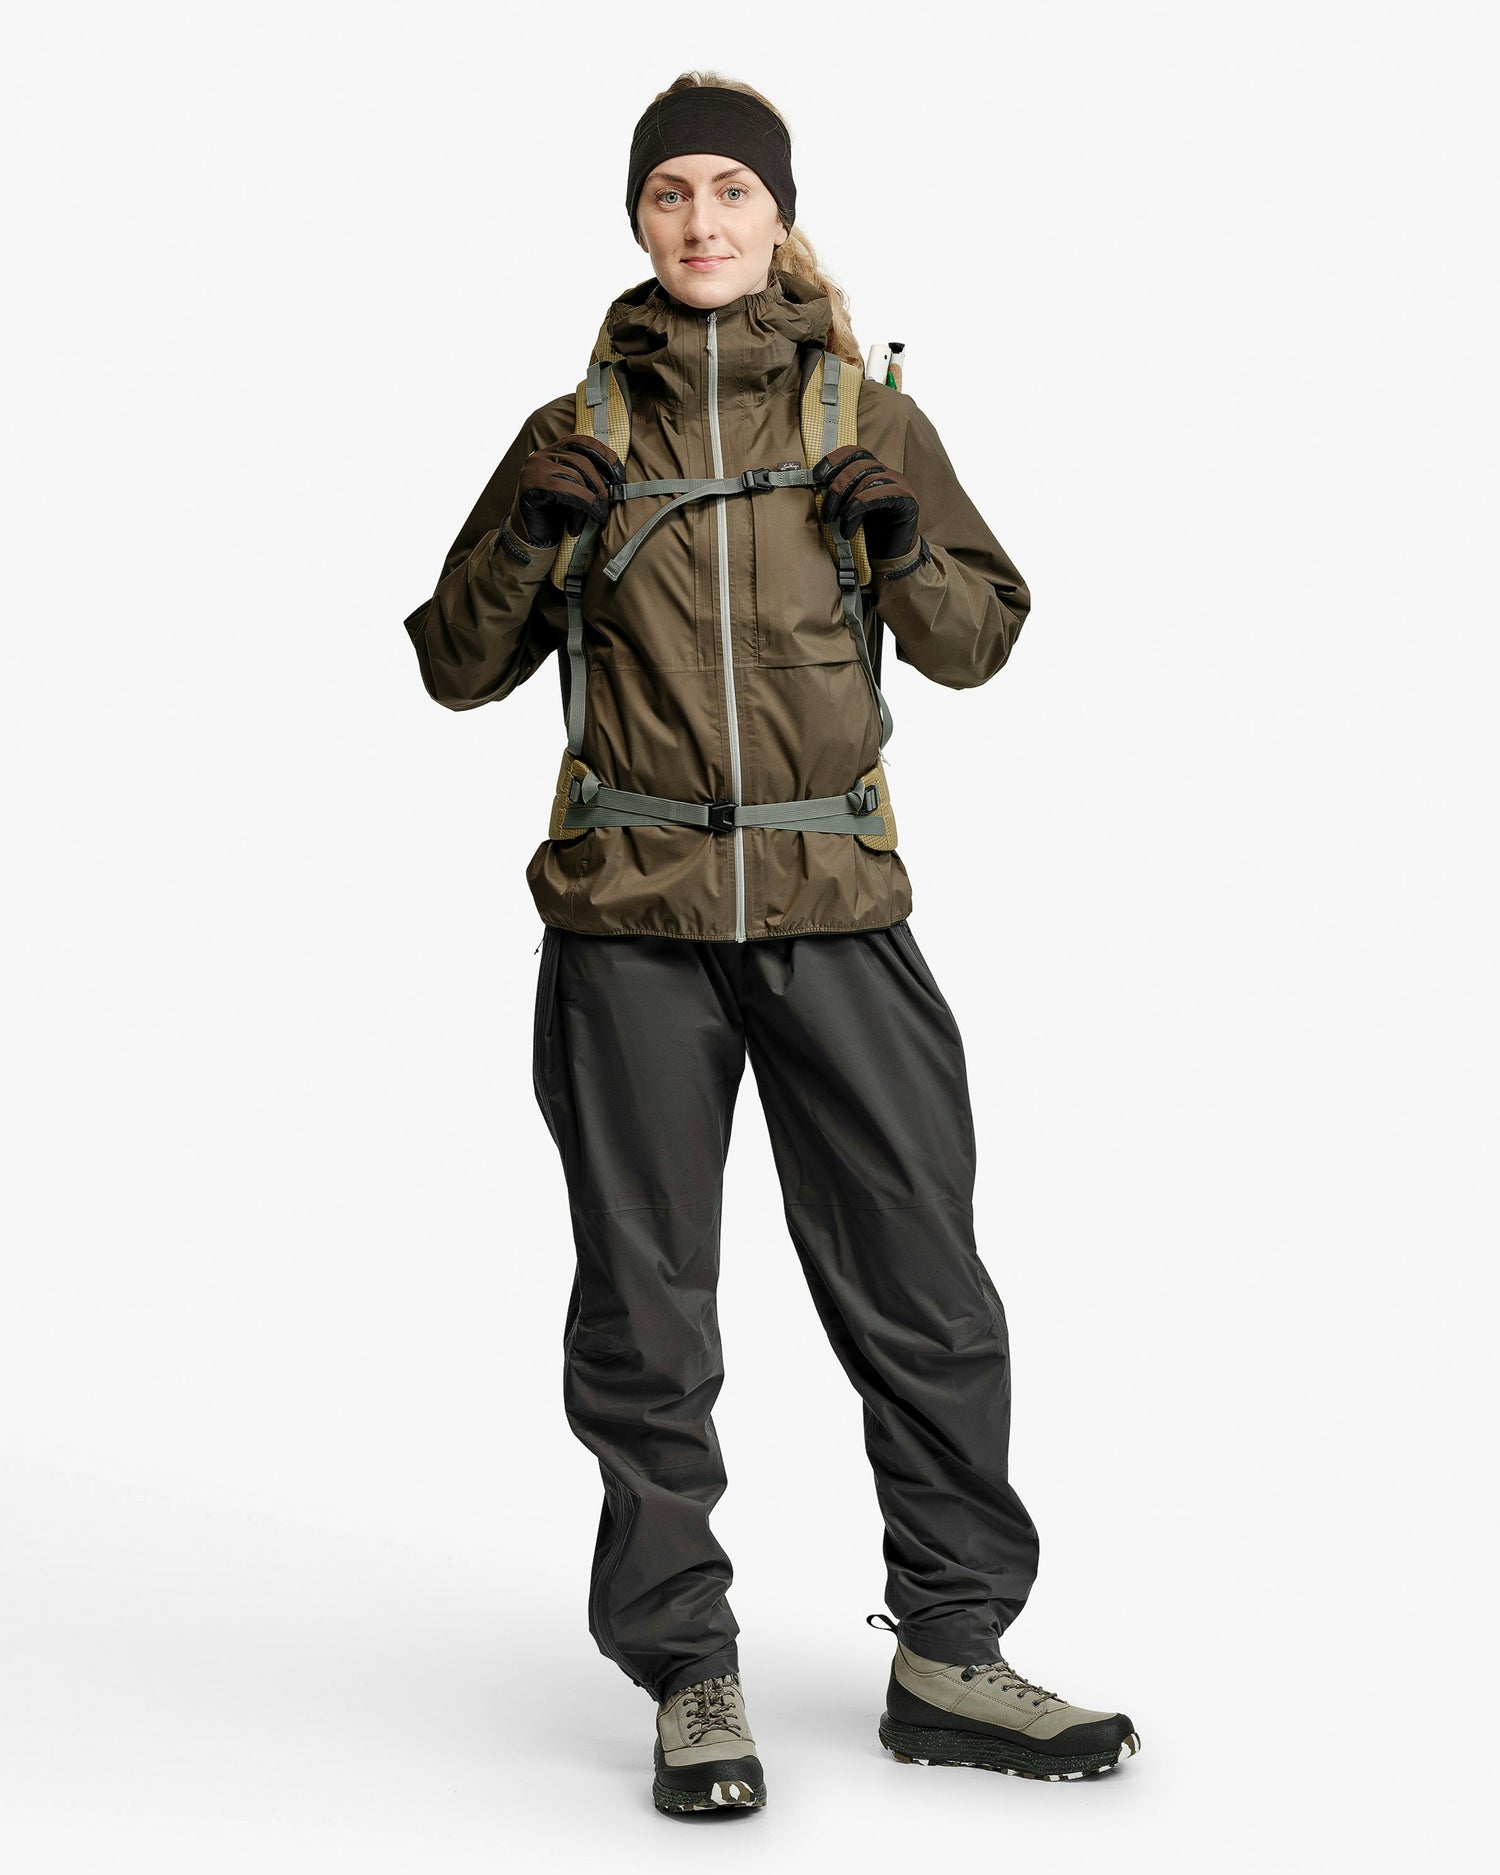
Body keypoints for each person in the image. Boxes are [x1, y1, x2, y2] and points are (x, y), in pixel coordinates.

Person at [403, 71, 1139, 1814]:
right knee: (646, 1315)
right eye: (672, 192)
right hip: (627, 926)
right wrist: (533, 532)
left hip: (838, 915)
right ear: (638, 219)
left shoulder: (866, 419)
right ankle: (690, 1670)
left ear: (778, 214)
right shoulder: (573, 427)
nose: (703, 220)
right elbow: (453, 662)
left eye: (733, 190)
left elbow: (974, 641)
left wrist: (904, 543)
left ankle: (952, 1651)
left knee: (925, 1289)